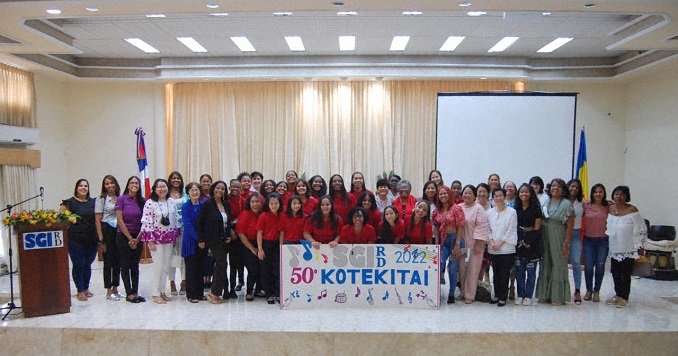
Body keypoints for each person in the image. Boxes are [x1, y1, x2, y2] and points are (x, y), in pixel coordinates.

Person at [140, 179, 181, 304]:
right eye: (159, 187)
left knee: (166, 266)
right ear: (154, 189)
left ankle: (162, 291)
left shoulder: (171, 202)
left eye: (164, 186)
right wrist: (150, 241)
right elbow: (147, 222)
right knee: (157, 266)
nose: (162, 189)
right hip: (156, 240)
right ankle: (155, 293)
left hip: (169, 238)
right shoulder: (150, 203)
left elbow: (175, 219)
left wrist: (175, 236)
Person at [605, 186, 646, 309]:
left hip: (628, 247)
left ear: (626, 196)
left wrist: (641, 245)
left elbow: (641, 229)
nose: (618, 196)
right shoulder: (610, 209)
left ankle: (625, 297)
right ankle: (617, 295)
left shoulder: (632, 210)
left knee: (625, 273)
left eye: (622, 194)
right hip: (614, 247)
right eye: (616, 194)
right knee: (615, 272)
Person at [536, 178, 574, 306]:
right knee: (545, 262)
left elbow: (570, 226)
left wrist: (566, 244)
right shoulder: (546, 201)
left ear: (563, 190)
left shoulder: (567, 204)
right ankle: (544, 294)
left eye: (558, 186)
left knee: (558, 263)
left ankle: (557, 296)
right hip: (545, 234)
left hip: (558, 234)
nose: (555, 188)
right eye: (553, 186)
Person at [196, 180, 235, 304]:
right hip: (212, 240)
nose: (220, 191)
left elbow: (227, 222)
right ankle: (213, 292)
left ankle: (216, 291)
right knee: (221, 264)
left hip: (224, 240)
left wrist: (228, 234)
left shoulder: (226, 204)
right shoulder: (207, 205)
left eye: (222, 189)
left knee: (222, 265)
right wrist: (201, 239)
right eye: (218, 188)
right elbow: (200, 223)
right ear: (213, 189)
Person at [61, 179, 98, 302]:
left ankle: (86, 288)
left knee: (88, 264)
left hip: (91, 238)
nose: (83, 188)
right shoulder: (69, 203)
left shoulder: (94, 202)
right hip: (75, 239)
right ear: (76, 188)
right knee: (79, 264)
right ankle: (80, 290)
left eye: (86, 186)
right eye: (81, 186)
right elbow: (62, 220)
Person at [432, 185, 466, 303]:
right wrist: (437, 243)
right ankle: (436, 293)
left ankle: (451, 294)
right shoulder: (437, 211)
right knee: (439, 265)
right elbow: (436, 227)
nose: (443, 196)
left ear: (449, 194)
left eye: (445, 193)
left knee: (452, 269)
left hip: (455, 240)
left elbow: (461, 226)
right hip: (443, 241)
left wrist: (457, 244)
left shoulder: (456, 208)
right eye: (440, 194)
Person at [115, 176, 146, 303]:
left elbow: (145, 221)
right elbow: (120, 220)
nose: (134, 185)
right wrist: (130, 239)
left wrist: (137, 239)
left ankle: (135, 291)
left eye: (137, 183)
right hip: (124, 236)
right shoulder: (121, 199)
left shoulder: (142, 201)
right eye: (132, 183)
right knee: (125, 265)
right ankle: (129, 293)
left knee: (135, 265)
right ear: (128, 185)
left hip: (138, 236)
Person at [485, 187, 517, 307]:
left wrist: (500, 243)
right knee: (496, 273)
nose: (498, 198)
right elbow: (487, 228)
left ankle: (503, 296)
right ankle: (497, 294)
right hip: (493, 247)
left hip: (507, 248)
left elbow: (511, 229)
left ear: (504, 197)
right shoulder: (489, 212)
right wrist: (492, 242)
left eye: (500, 196)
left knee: (504, 273)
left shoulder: (512, 212)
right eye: (496, 196)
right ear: (493, 198)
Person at [459, 184, 490, 304]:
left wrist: (479, 243)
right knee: (462, 270)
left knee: (473, 271)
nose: (467, 195)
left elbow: (482, 227)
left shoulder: (478, 208)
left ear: (474, 195)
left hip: (476, 245)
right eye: (465, 193)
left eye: (470, 193)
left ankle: (470, 295)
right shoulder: (459, 207)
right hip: (462, 245)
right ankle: (462, 292)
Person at [514, 184, 543, 306]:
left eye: (526, 192)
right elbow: (513, 226)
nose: (523, 194)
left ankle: (528, 295)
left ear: (531, 193)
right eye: (521, 192)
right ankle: (520, 295)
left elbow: (537, 229)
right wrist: (520, 240)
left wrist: (529, 241)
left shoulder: (536, 208)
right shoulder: (516, 208)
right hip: (519, 241)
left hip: (533, 243)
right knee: (519, 272)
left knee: (531, 272)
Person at [94, 175, 123, 301]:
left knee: (118, 260)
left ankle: (116, 287)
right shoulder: (101, 199)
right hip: (107, 230)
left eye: (112, 183)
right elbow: (97, 220)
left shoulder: (120, 198)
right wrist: (101, 239)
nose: (110, 185)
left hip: (118, 230)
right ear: (104, 186)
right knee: (108, 261)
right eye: (107, 184)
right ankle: (108, 290)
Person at [582, 183, 609, 303]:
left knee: (600, 266)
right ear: (592, 194)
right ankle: (588, 290)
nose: (598, 194)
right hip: (589, 240)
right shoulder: (586, 205)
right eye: (595, 192)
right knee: (588, 266)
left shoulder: (609, 206)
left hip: (603, 240)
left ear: (604, 194)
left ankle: (597, 291)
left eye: (600, 192)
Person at [237, 192, 265, 301]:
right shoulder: (245, 214)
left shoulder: (264, 214)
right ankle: (249, 291)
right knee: (252, 268)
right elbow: (241, 233)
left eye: (257, 201)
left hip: (262, 243)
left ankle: (258, 290)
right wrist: (252, 249)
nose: (255, 204)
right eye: (252, 202)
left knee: (261, 268)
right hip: (248, 244)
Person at [257, 193, 283, 304]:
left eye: (276, 203)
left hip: (276, 244)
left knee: (277, 270)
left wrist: (281, 247)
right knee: (266, 270)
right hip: (265, 245)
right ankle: (269, 294)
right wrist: (260, 249)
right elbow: (259, 233)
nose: (274, 205)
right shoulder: (263, 216)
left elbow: (282, 232)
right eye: (271, 203)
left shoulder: (282, 215)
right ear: (268, 204)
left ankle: (278, 293)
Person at [181, 182, 205, 303]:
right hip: (190, 241)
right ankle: (191, 294)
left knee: (200, 267)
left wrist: (203, 239)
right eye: (192, 190)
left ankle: (200, 293)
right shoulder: (185, 207)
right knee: (191, 268)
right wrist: (198, 238)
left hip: (202, 241)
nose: (195, 192)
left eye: (196, 190)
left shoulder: (203, 205)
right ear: (188, 193)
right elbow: (188, 225)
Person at [167, 171, 187, 296]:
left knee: (183, 255)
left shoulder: (185, 193)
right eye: (173, 178)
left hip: (184, 229)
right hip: (169, 229)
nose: (176, 180)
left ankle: (184, 281)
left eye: (178, 178)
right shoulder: (166, 194)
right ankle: (172, 281)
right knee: (171, 256)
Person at [567, 178, 585, 304]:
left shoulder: (583, 202)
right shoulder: (562, 201)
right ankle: (562, 290)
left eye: (577, 187)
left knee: (576, 262)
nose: (574, 189)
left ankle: (577, 290)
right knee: (561, 263)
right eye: (572, 186)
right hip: (562, 234)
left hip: (575, 234)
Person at [227, 179, 246, 293]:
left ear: (240, 188)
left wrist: (239, 232)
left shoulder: (243, 201)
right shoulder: (226, 200)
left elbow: (244, 218)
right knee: (232, 261)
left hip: (241, 232)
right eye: (233, 187)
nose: (235, 189)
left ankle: (241, 281)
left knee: (241, 259)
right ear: (229, 188)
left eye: (237, 187)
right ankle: (231, 286)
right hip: (228, 232)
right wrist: (230, 230)